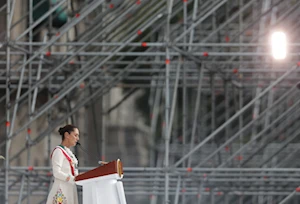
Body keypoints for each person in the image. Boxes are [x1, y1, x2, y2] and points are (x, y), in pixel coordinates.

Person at [46, 124, 80, 204]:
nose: (77, 139)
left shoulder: (68, 152)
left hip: (70, 188)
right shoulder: (58, 151)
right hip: (61, 189)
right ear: (67, 135)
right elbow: (57, 172)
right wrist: (72, 178)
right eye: (75, 135)